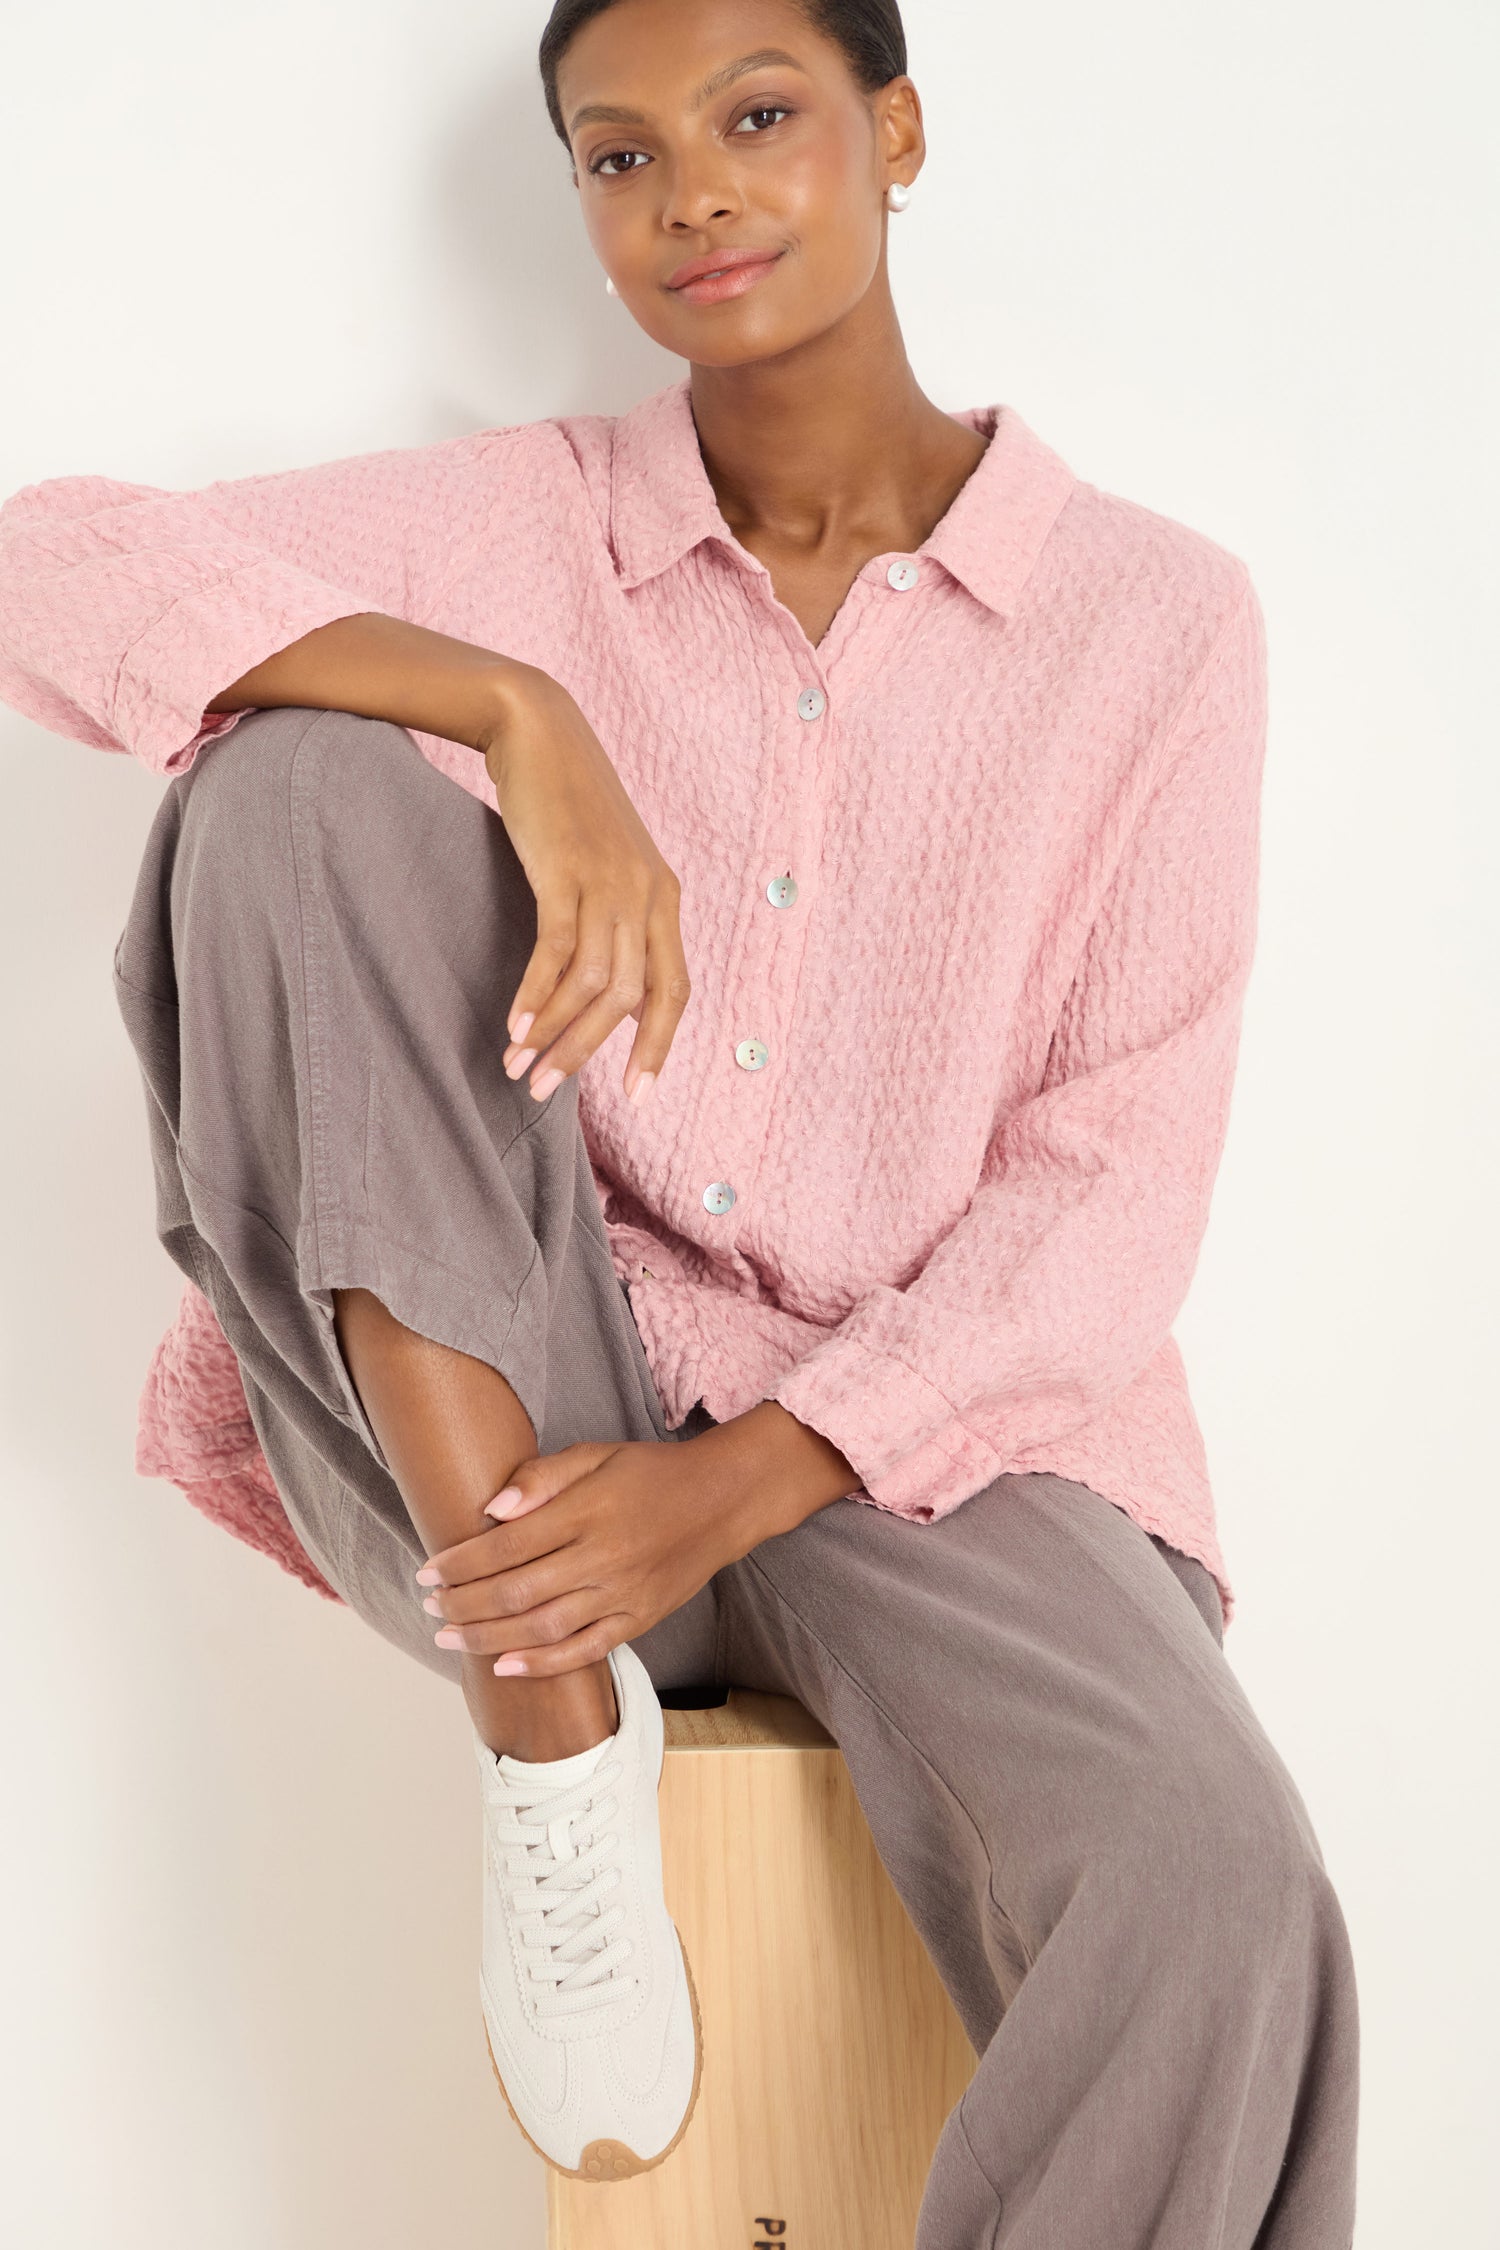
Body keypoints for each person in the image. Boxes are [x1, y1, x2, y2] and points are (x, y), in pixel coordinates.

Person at [0, 0, 1360, 2238]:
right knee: (292, 783)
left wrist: (732, 1488)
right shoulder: (521, 527)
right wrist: (507, 704)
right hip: (505, 1409)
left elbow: (1110, 1188)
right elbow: (52, 556)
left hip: (936, 1448)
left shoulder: (1154, 626)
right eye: (618, 159)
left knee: (1215, 1883)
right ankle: (551, 1734)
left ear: (894, 130)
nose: (693, 192)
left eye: (755, 119)